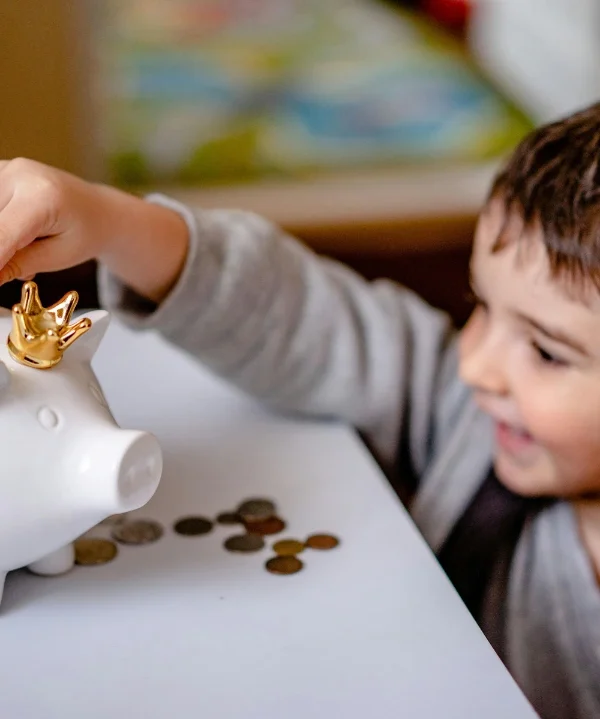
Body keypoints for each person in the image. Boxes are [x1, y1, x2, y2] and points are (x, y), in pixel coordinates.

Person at [1, 101, 600, 719]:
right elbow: (300, 314)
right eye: (480, 304)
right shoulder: (462, 414)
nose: (474, 364)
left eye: (547, 352)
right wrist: (111, 222)